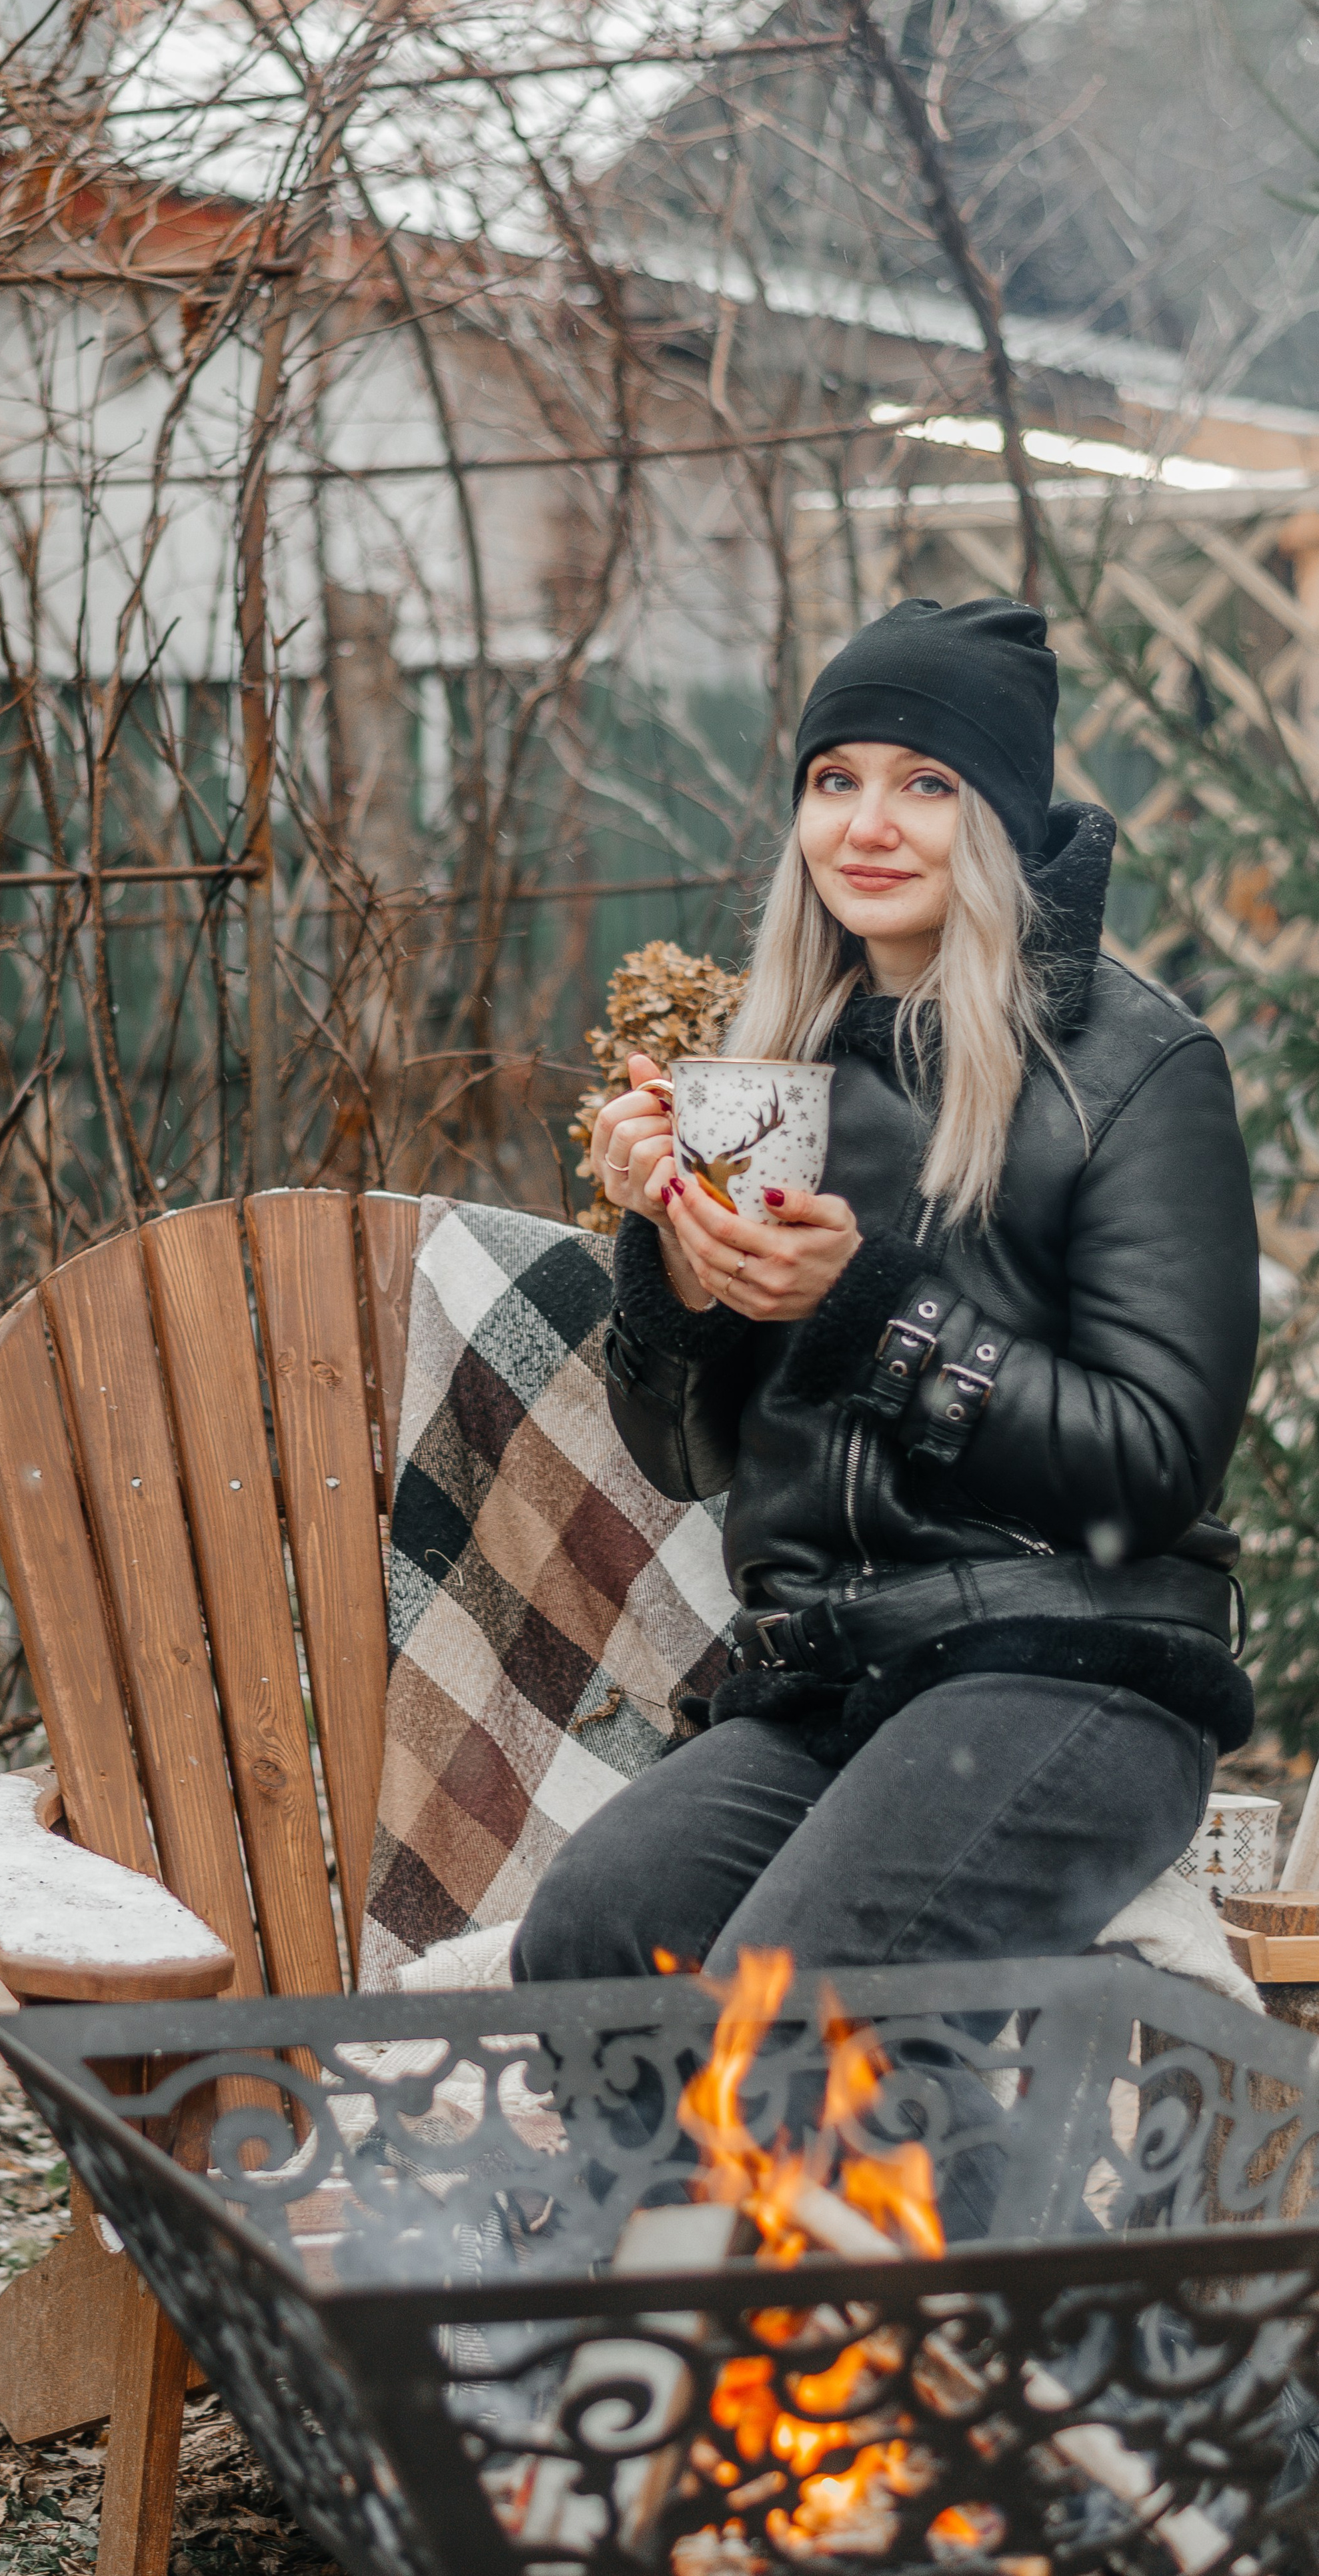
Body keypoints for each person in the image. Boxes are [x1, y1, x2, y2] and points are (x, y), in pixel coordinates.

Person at [512, 596, 1260, 1986]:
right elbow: (687, 1458)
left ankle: (879, 2206)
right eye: (831, 780)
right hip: (829, 1686)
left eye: (925, 783)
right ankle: (678, 2216)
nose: (866, 824)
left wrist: (873, 1310)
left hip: (1070, 1672)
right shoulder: (779, 1067)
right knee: (592, 1940)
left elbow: (1151, 1466)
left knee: (793, 2004)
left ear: (996, 818)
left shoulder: (1135, 1071)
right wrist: (669, 1257)